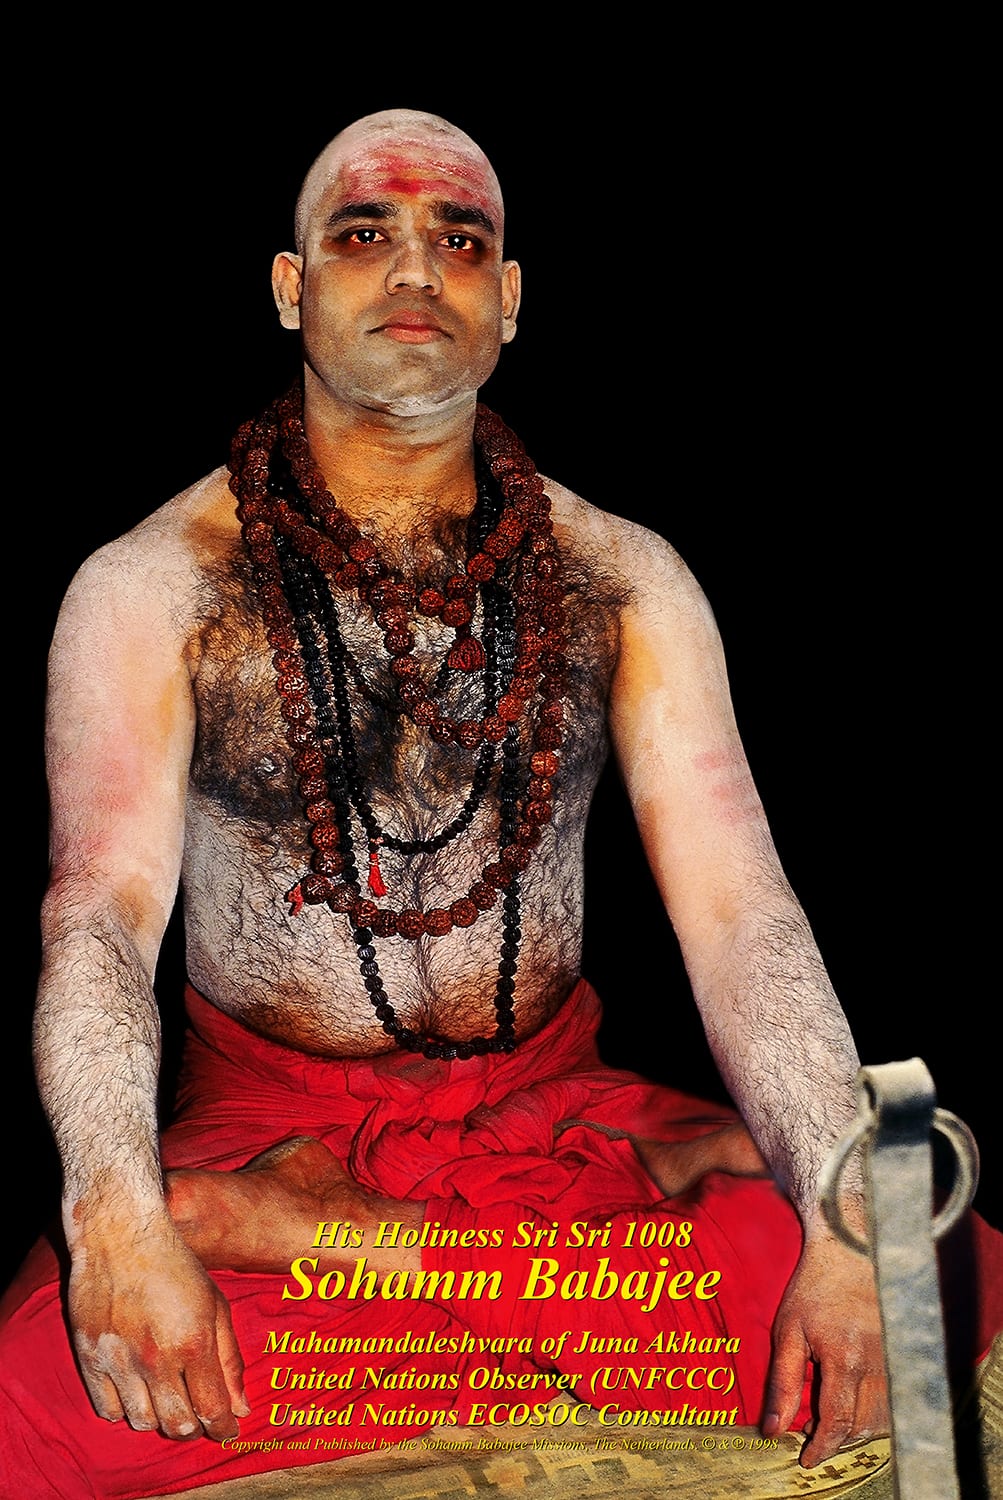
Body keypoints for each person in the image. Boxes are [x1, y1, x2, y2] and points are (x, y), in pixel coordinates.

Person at [2, 107, 997, 1499]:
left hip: (552, 1113)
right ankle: (353, 1238)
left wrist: (841, 1219)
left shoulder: (623, 578)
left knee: (919, 1263)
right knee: (50, 1397)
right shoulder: (155, 587)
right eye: (365, 233)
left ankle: (334, 1242)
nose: (417, 271)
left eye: (460, 241)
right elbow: (98, 919)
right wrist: (115, 1218)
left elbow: (740, 913)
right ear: (291, 288)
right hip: (278, 1124)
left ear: (510, 300)